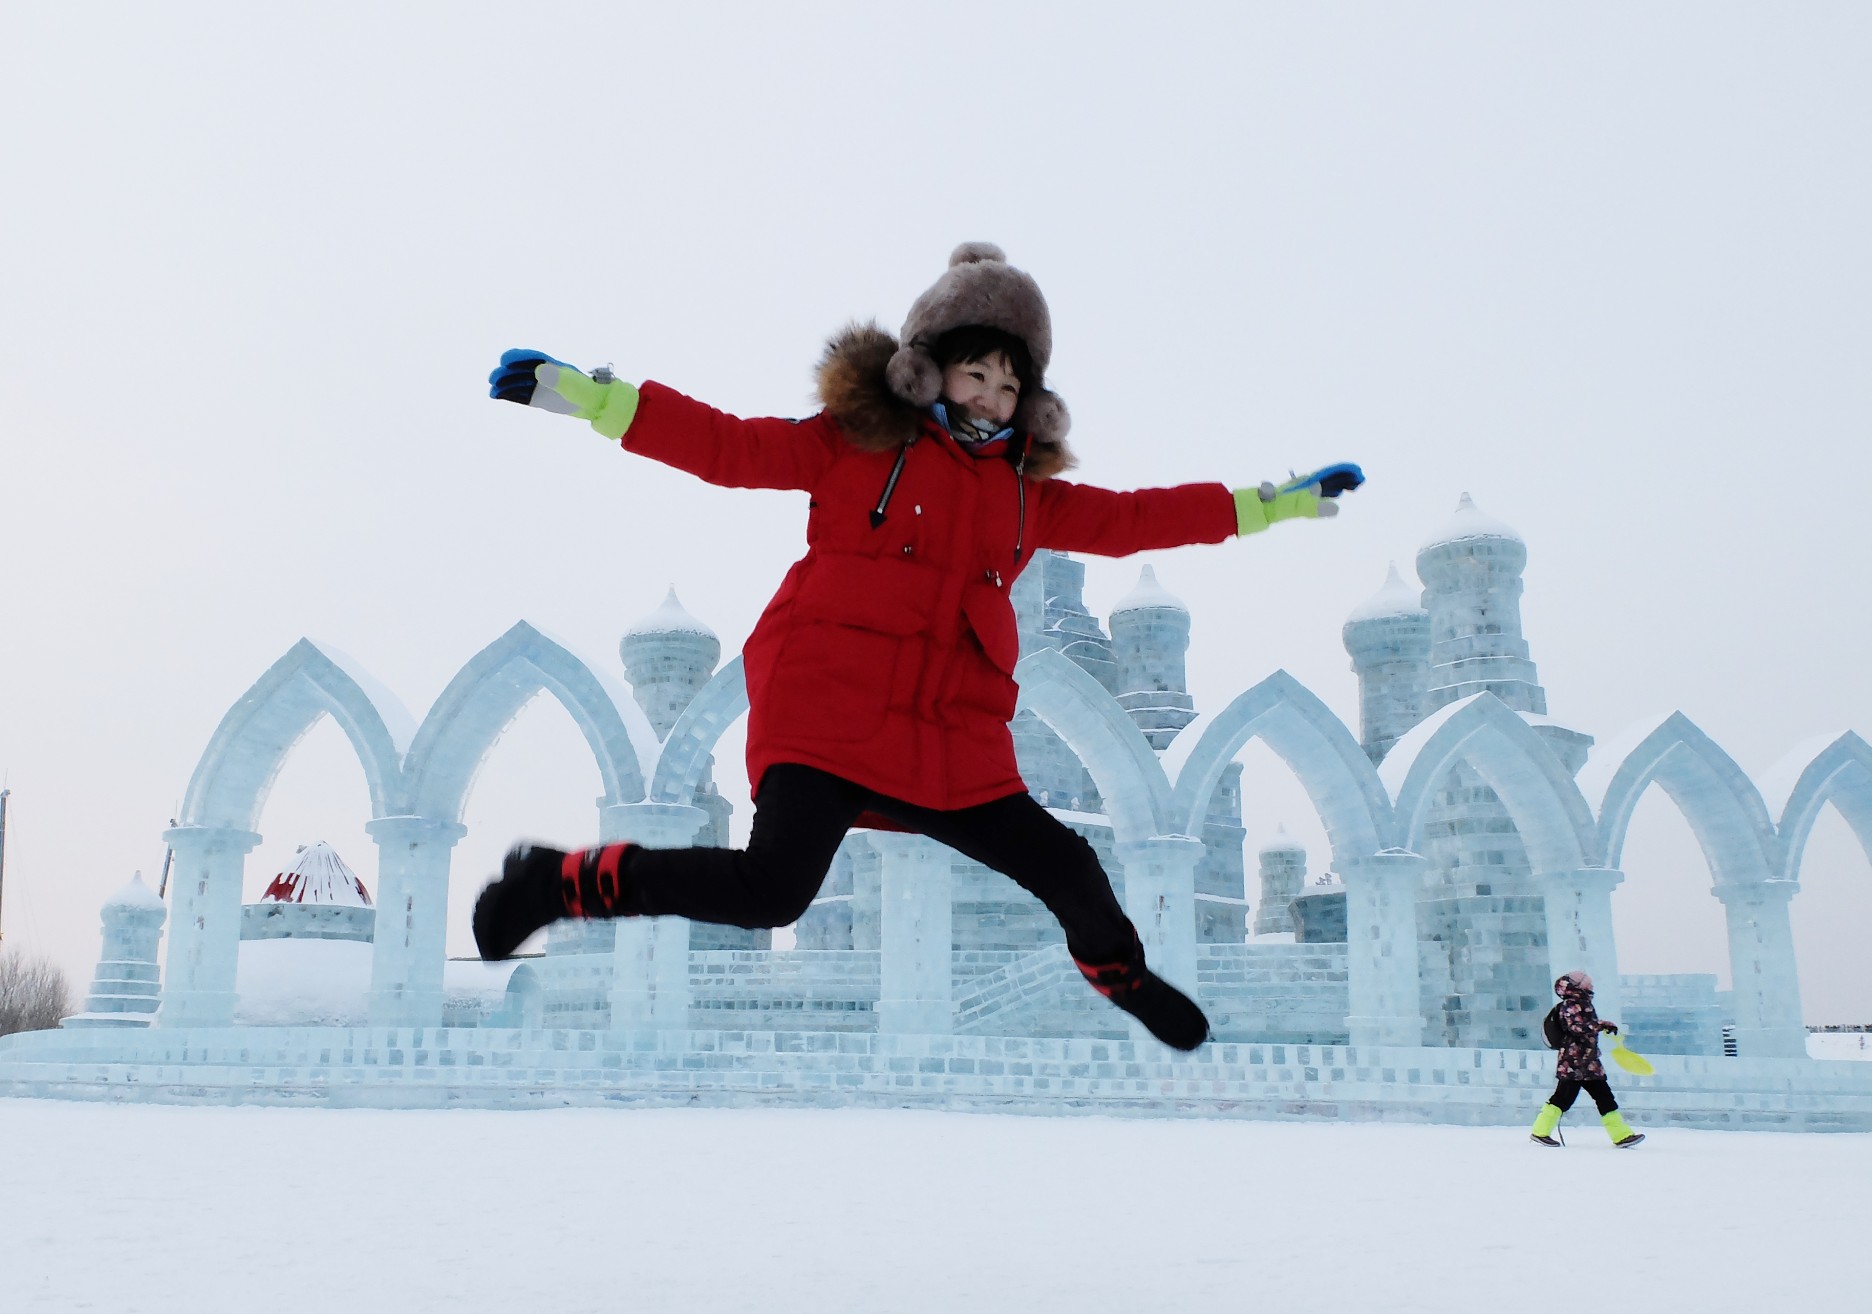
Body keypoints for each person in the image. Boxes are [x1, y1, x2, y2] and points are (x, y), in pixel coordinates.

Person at [474, 243, 1363, 1051]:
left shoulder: (1026, 498)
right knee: (773, 890)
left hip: (948, 736)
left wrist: (1268, 504)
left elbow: (1140, 519)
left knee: (1070, 865)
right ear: (928, 368)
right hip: (829, 712)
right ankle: (557, 885)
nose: (991, 397)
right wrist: (595, 399)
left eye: (1010, 387)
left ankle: (1119, 973)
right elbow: (729, 447)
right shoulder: (856, 445)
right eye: (977, 373)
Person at [1531, 971, 1645, 1147]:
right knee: (1562, 1099)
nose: (1591, 986)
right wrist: (1599, 1025)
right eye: (1587, 984)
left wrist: (1602, 1025)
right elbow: (1577, 1028)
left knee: (1605, 1098)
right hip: (1573, 1063)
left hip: (1588, 1062)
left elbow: (1584, 1026)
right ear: (1577, 987)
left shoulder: (1582, 1004)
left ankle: (1621, 1135)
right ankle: (1540, 1131)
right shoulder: (1571, 1005)